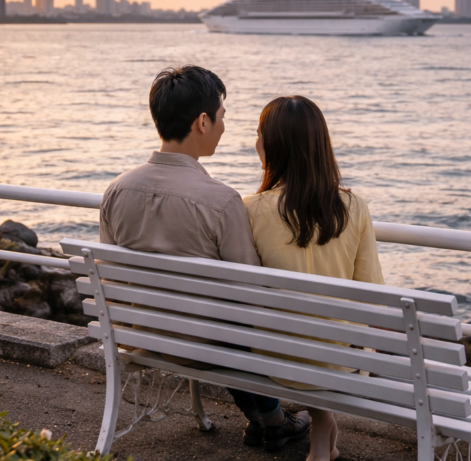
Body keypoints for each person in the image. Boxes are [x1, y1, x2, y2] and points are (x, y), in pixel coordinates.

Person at [99, 65, 310, 450]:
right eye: (222, 117)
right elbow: (251, 295)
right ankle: (275, 419)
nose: (224, 126)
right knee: (242, 322)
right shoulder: (221, 201)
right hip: (205, 348)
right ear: (202, 121)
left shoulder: (116, 190)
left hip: (141, 336)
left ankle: (270, 420)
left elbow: (110, 279)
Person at [243, 96, 384, 461]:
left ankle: (323, 434)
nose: (254, 142)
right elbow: (373, 297)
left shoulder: (249, 210)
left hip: (272, 362)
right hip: (337, 365)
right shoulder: (354, 207)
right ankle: (323, 435)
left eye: (258, 135)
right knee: (334, 340)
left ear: (272, 146)